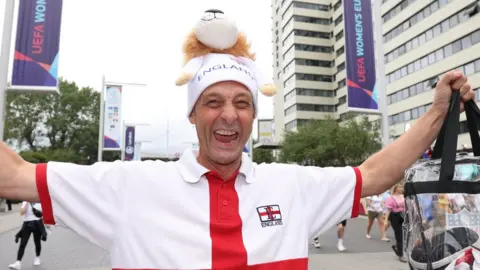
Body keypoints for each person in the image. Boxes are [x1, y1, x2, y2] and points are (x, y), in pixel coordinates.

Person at [0, 10, 475, 270]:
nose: (228, 115)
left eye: (242, 103)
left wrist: (436, 112)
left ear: (252, 116)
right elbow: (15, 175)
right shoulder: (127, 184)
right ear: (192, 114)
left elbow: (377, 174)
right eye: (212, 102)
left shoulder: (292, 185)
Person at [8, 201, 45, 269]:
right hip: (27, 224)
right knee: (23, 243)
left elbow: (44, 213)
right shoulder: (25, 202)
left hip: (37, 224)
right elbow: (22, 213)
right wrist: (27, 203)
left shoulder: (40, 202)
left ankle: (37, 257)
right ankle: (18, 262)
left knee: (37, 242)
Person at [384, 185, 406, 262]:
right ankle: (401, 255)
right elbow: (388, 210)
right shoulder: (390, 198)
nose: (402, 189)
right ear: (396, 189)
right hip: (394, 217)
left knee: (405, 234)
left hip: (403, 215)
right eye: (400, 187)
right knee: (399, 234)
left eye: (402, 187)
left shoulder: (403, 196)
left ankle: (397, 246)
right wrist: (386, 220)